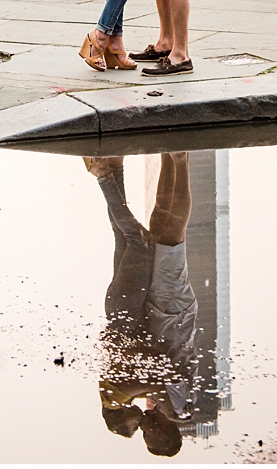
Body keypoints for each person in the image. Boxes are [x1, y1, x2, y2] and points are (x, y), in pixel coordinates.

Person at [86, 152, 198, 457]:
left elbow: (151, 371)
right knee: (171, 234)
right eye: (149, 437)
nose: (145, 430)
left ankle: (167, 155)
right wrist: (141, 388)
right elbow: (168, 373)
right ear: (163, 436)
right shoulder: (179, 412)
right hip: (171, 314)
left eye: (142, 434)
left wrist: (143, 388)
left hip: (161, 314)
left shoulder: (158, 405)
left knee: (158, 224)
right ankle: (180, 158)